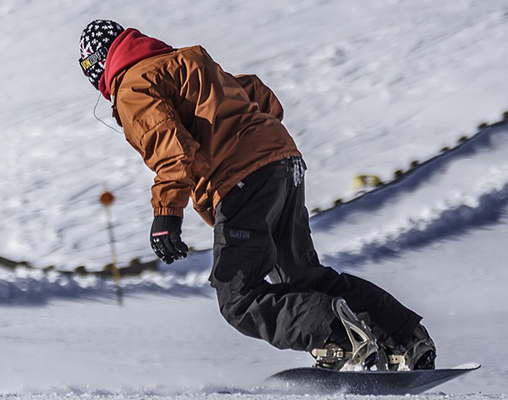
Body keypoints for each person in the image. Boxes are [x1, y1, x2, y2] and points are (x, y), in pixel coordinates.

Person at [77, 20, 435, 371]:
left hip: (242, 178)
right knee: (302, 277)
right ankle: (405, 337)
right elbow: (258, 93)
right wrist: (255, 137)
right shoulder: (186, 61)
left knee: (238, 297)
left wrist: (166, 215)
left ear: (96, 65)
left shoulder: (133, 85)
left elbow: (171, 149)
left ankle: (339, 337)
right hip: (283, 161)